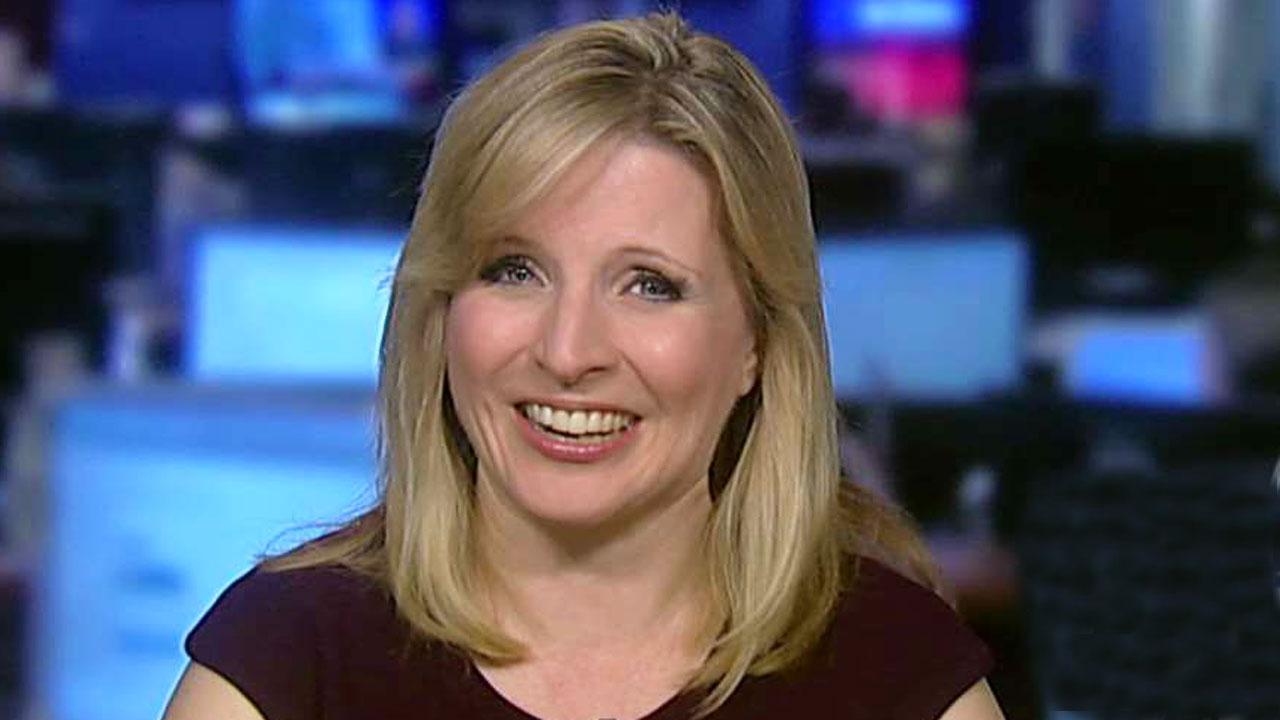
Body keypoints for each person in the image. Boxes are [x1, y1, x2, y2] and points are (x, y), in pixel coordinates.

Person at [162, 13, 1004, 720]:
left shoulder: (904, 683)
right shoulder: (282, 669)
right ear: (441, 310)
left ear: (756, 342)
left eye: (650, 286)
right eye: (514, 271)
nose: (567, 353)